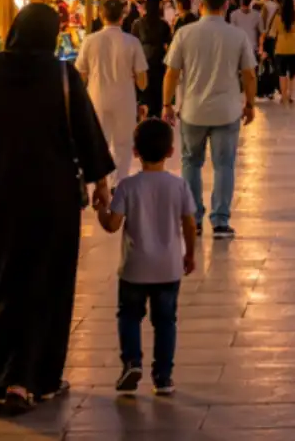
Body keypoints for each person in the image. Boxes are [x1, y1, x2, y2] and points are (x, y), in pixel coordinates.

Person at [0, 4, 116, 409]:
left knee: (0, 277)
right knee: (43, 282)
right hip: (50, 196)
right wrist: (102, 185)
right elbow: (86, 133)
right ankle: (29, 377)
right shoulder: (61, 75)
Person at [95, 120, 196, 396]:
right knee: (165, 322)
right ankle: (163, 377)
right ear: (171, 151)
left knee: (129, 316)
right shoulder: (179, 186)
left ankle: (132, 362)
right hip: (168, 268)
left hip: (133, 269)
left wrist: (101, 209)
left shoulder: (128, 186)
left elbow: (113, 225)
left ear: (136, 152)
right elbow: (189, 223)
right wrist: (190, 254)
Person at [162, 0, 256, 238]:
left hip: (192, 110)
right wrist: (250, 104)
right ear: (226, 5)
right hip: (227, 111)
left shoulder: (184, 34)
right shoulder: (237, 36)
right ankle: (221, 221)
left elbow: (171, 72)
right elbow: (248, 74)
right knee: (224, 165)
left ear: (199, 4)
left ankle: (194, 218)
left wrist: (167, 104)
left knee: (191, 163)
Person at [76, 0, 148, 186]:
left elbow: (81, 76)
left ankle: (101, 185)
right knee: (122, 146)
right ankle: (118, 185)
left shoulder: (89, 41)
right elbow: (142, 83)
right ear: (123, 17)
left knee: (99, 144)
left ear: (101, 16)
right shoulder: (132, 42)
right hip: (124, 100)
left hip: (96, 97)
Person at [132, 0, 173, 118]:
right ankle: (158, 116)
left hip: (142, 60)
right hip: (159, 60)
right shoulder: (163, 24)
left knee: (144, 91)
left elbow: (134, 43)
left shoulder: (138, 24)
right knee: (158, 90)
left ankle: (145, 117)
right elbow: (170, 43)